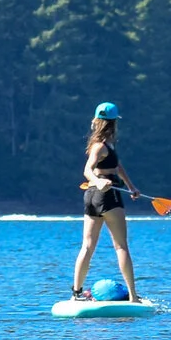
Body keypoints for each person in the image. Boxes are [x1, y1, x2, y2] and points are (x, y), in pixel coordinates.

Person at [69, 102, 143, 300]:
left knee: (87, 246)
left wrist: (131, 187)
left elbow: (117, 167)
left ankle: (76, 294)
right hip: (105, 195)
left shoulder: (108, 145)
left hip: (93, 196)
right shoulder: (100, 146)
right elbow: (87, 170)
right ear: (113, 123)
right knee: (120, 246)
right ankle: (133, 296)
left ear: (96, 121)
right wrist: (97, 181)